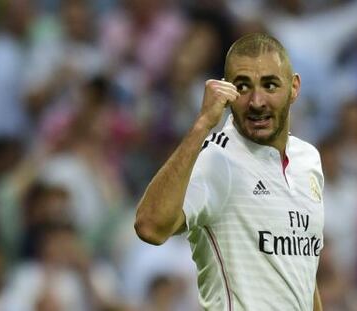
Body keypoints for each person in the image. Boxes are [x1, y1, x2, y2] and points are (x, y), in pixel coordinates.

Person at [135, 33, 324, 310]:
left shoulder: (308, 159)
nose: (257, 101)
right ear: (226, 92)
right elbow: (150, 226)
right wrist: (202, 125)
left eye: (270, 85)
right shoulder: (218, 159)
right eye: (243, 87)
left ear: (294, 88)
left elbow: (301, 275)